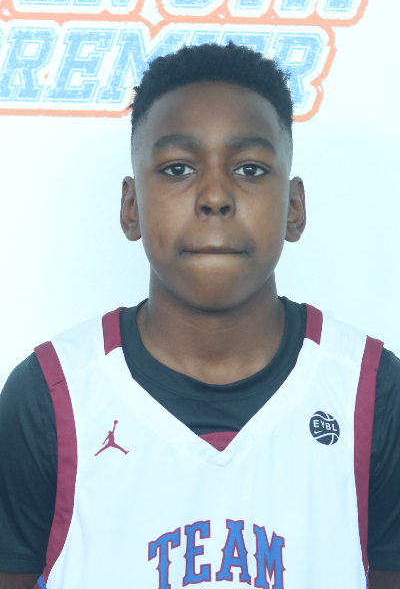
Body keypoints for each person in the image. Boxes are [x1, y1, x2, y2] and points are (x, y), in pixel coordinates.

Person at [0, 43, 399, 589]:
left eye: (250, 169)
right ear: (131, 207)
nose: (215, 197)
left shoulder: (371, 394)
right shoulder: (51, 397)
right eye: (178, 168)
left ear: (294, 208)